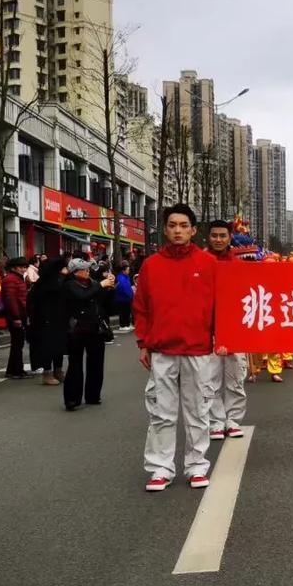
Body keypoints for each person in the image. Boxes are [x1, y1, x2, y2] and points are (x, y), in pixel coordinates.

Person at [134, 204, 219, 492]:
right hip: (162, 350)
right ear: (165, 229)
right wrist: (143, 343)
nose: (178, 230)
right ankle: (160, 467)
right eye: (172, 225)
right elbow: (141, 307)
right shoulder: (151, 265)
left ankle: (197, 466)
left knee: (197, 411)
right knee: (162, 413)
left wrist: (221, 339)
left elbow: (222, 306)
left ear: (194, 230)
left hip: (199, 350)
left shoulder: (209, 265)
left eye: (184, 225)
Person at [204, 220, 246, 440]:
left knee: (235, 377)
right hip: (206, 330)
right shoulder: (199, 262)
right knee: (209, 379)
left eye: (223, 236)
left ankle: (233, 420)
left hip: (234, 330)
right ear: (208, 237)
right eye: (214, 235)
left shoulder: (238, 265)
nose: (218, 240)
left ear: (230, 237)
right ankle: (215, 422)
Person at [62, 257, 115, 411]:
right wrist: (101, 285)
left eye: (87, 269)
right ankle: (72, 399)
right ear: (75, 272)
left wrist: (109, 287)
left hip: (95, 328)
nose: (86, 272)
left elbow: (103, 302)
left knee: (96, 363)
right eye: (83, 269)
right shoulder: (69, 285)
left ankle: (93, 395)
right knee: (75, 364)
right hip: (76, 329)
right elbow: (82, 296)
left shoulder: (93, 283)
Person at [28, 257, 68, 386]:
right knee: (48, 347)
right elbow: (33, 305)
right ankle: (47, 373)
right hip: (46, 320)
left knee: (59, 347)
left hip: (59, 319)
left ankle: (58, 370)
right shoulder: (44, 285)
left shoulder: (59, 281)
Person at [2, 257, 31, 379]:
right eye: (21, 267)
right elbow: (11, 300)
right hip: (16, 315)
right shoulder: (11, 279)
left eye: (25, 267)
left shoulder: (17, 278)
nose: (23, 269)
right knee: (17, 344)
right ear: (13, 268)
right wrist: (16, 317)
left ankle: (16, 369)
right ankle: (15, 371)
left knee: (18, 344)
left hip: (20, 314)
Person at [114, 262, 135, 332]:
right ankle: (123, 325)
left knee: (127, 312)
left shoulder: (126, 277)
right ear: (123, 270)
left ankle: (127, 324)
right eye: (127, 270)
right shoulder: (121, 278)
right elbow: (124, 289)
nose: (128, 271)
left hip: (126, 298)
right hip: (122, 298)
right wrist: (130, 295)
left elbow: (128, 287)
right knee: (123, 312)